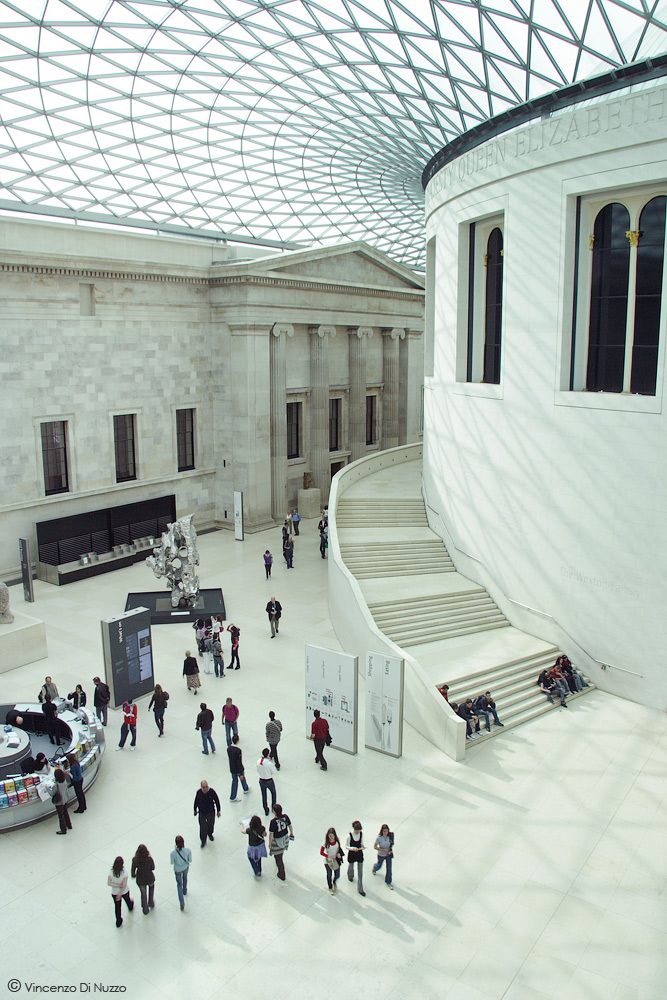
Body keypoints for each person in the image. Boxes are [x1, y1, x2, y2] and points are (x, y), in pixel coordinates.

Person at [268, 803, 293, 881]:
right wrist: (291, 833)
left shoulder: (273, 821)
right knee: (281, 852)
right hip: (285, 838)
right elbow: (290, 826)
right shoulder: (285, 817)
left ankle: (281, 874)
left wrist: (269, 843)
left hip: (277, 841)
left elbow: (271, 834)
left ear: (274, 812)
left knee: (278, 858)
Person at [108, 856, 134, 927]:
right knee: (127, 900)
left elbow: (109, 883)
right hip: (124, 891)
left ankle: (118, 921)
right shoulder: (124, 873)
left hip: (114, 892)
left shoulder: (111, 872)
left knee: (117, 907)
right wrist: (120, 891)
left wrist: (116, 886)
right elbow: (124, 885)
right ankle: (130, 906)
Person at [193, 780, 221, 847]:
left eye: (206, 787)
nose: (205, 789)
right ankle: (203, 841)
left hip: (210, 811)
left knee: (210, 824)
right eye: (203, 787)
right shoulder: (199, 792)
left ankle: (210, 833)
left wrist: (218, 811)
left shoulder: (212, 792)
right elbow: (196, 801)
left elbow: (217, 801)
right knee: (202, 827)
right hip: (202, 812)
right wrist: (195, 809)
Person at [131, 844, 155, 914]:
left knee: (143, 894)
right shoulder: (149, 859)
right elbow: (153, 868)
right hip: (149, 877)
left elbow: (133, 872)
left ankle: (145, 909)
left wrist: (135, 875)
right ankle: (151, 902)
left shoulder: (135, 860)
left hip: (140, 880)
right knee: (151, 888)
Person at [170, 835, 192, 911]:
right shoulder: (188, 850)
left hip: (177, 870)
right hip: (185, 867)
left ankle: (182, 903)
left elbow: (172, 862)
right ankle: (185, 890)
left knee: (179, 884)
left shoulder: (173, 853)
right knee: (185, 878)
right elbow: (190, 860)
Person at [227, 733, 250, 801]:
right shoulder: (238, 750)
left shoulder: (229, 749)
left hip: (232, 768)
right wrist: (240, 772)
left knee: (234, 781)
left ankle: (244, 788)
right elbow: (239, 762)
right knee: (241, 778)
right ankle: (244, 790)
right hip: (238, 769)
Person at [320, 827, 343, 894]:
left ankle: (334, 882)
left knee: (337, 874)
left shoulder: (337, 841)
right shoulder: (325, 842)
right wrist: (328, 856)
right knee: (329, 874)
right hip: (328, 861)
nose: (331, 838)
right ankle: (330, 887)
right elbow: (321, 852)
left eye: (332, 836)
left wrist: (338, 854)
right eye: (330, 836)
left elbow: (339, 849)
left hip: (335, 860)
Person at [372, 823, 394, 888]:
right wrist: (383, 850)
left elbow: (392, 844)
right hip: (381, 854)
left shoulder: (390, 836)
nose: (385, 833)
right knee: (379, 865)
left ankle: (388, 882)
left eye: (387, 831)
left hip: (388, 855)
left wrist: (390, 850)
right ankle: (375, 868)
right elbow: (375, 847)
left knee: (389, 869)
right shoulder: (379, 838)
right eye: (384, 831)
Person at [346, 820, 366, 896]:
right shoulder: (349, 836)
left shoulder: (361, 834)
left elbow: (361, 842)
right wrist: (352, 848)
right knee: (351, 866)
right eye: (357, 830)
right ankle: (350, 875)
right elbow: (346, 846)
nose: (358, 832)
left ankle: (360, 888)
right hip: (352, 853)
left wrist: (362, 846)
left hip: (359, 853)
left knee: (360, 871)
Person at [256, 748, 277, 816]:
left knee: (264, 795)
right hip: (269, 780)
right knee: (273, 793)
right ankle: (273, 807)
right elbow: (274, 772)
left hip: (261, 780)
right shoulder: (269, 764)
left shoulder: (258, 761)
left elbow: (257, 770)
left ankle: (266, 809)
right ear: (268, 754)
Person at [52, 768, 72, 835]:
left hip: (59, 802)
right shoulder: (64, 781)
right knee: (66, 812)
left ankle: (63, 830)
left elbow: (52, 793)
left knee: (61, 816)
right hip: (65, 799)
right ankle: (69, 825)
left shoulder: (56, 785)